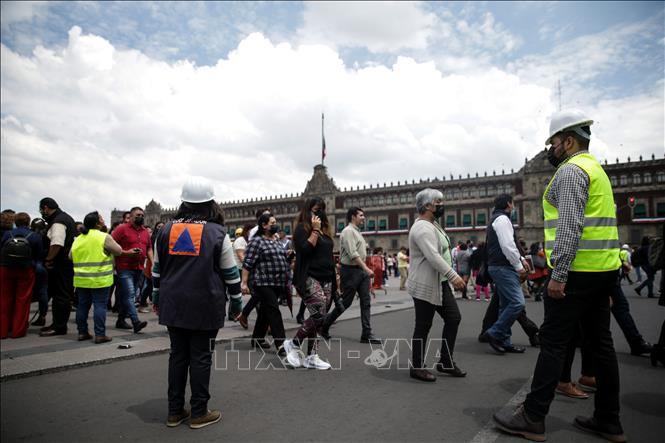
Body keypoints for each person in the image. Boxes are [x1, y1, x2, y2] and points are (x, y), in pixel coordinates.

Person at [494, 109, 625, 442]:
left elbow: (569, 227)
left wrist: (559, 273)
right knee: (601, 345)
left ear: (567, 141)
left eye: (552, 142)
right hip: (603, 271)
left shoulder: (570, 172)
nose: (550, 148)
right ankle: (609, 419)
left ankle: (534, 416)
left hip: (576, 273)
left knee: (553, 343)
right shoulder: (596, 170)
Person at [152, 176, 241, 429]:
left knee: (178, 355)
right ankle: (199, 411)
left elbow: (157, 269)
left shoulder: (165, 230)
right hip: (204, 302)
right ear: (211, 203)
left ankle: (174, 411)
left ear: (183, 203)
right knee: (201, 356)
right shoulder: (217, 233)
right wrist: (236, 304)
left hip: (173, 302)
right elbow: (231, 274)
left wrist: (157, 297)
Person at [407, 189, 467, 382]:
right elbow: (433, 256)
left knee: (453, 318)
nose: (442, 205)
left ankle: (445, 361)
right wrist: (453, 276)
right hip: (426, 283)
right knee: (423, 326)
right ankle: (417, 366)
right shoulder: (422, 228)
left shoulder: (434, 225)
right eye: (438, 202)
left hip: (440, 283)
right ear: (427, 206)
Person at [282, 197, 336, 370]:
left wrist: (337, 281)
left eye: (321, 210)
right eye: (315, 210)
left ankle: (312, 356)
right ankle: (294, 343)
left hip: (327, 277)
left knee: (319, 318)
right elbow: (304, 251)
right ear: (307, 211)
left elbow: (329, 257)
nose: (318, 214)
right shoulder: (301, 229)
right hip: (309, 276)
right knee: (319, 311)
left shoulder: (326, 232)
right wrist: (314, 231)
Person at [72, 211, 136, 344]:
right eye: (101, 218)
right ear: (97, 223)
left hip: (82, 279)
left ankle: (82, 332)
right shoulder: (103, 237)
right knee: (99, 306)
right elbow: (118, 251)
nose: (103, 220)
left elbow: (70, 256)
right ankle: (100, 334)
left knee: (82, 306)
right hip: (100, 279)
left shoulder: (79, 238)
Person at [321, 207, 381, 344]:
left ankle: (366, 333)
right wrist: (366, 269)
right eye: (361, 215)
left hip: (360, 271)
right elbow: (353, 254)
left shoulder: (357, 232)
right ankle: (324, 324)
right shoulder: (348, 232)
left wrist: (364, 269)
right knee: (346, 302)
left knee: (366, 302)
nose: (363, 217)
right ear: (353, 217)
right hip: (351, 271)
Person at [483, 194, 531, 354]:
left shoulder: (497, 219)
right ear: (509, 204)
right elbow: (507, 245)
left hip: (500, 266)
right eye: (513, 203)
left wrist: (521, 258)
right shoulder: (502, 220)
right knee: (518, 303)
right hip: (503, 267)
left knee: (505, 306)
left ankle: (505, 341)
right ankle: (494, 333)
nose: (514, 206)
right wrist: (519, 266)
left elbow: (511, 245)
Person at [241, 213, 288, 352]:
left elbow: (281, 257)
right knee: (274, 310)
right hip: (262, 282)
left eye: (275, 222)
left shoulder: (276, 239)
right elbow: (247, 262)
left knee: (265, 312)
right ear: (264, 225)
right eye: (272, 223)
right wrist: (244, 282)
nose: (275, 225)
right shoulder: (257, 241)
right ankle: (281, 343)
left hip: (278, 282)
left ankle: (258, 339)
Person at [38, 198, 76, 337]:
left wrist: (49, 259)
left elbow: (57, 243)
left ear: (46, 208)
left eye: (42, 209)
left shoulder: (58, 221)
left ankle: (59, 326)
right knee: (61, 295)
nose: (42, 212)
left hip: (61, 263)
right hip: (66, 263)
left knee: (60, 296)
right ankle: (57, 324)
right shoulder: (65, 218)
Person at [0, 212, 43, 338]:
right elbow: (39, 255)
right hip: (26, 270)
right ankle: (18, 331)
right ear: (28, 222)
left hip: (6, 268)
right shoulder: (35, 236)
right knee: (22, 300)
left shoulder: (8, 234)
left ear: (15, 222)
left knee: (4, 299)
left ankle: (2, 330)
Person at [111, 207, 150, 333]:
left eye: (142, 215)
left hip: (138, 268)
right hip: (124, 267)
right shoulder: (121, 229)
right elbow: (110, 245)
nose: (141, 217)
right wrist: (127, 252)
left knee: (125, 295)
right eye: (138, 215)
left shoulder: (145, 232)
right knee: (130, 295)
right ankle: (136, 322)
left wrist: (152, 261)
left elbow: (149, 248)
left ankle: (120, 320)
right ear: (131, 216)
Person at [30, 218, 50, 326]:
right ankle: (42, 316)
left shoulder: (31, 235)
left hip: (30, 264)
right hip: (42, 265)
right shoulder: (47, 235)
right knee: (43, 291)